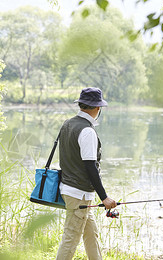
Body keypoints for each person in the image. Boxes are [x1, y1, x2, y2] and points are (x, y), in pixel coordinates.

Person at [56, 87, 117, 260]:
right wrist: (104, 197)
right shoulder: (87, 131)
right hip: (79, 194)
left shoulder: (67, 124)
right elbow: (90, 167)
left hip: (70, 189)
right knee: (70, 239)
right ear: (98, 108)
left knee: (91, 235)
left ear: (81, 105)